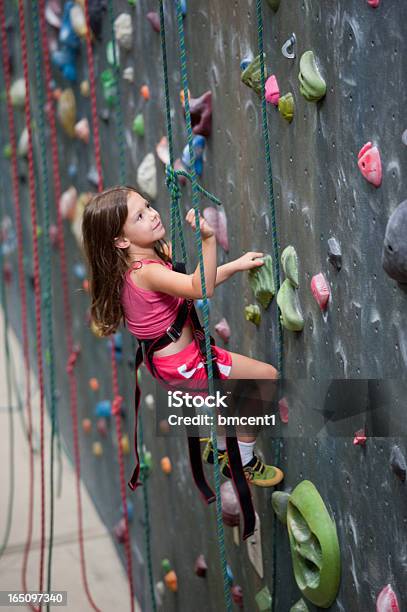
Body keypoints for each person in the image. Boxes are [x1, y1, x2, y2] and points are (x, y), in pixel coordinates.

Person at [82, 185, 284, 487]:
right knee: (266, 377)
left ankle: (218, 448)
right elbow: (199, 288)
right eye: (139, 216)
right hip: (186, 364)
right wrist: (208, 238)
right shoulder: (145, 272)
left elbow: (193, 283)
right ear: (122, 240)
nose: (151, 215)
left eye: (148, 207)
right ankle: (242, 460)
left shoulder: (137, 264)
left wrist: (236, 265)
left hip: (172, 363)